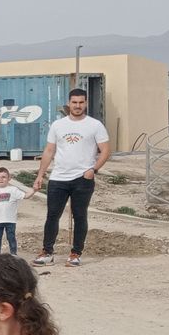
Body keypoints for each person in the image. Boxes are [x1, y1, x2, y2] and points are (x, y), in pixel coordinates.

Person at [32, 88, 110, 268]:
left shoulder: (95, 125)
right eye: (74, 102)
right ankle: (47, 252)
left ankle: (75, 253)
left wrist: (94, 170)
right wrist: (40, 175)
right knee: (52, 215)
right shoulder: (58, 125)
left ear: (86, 103)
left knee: (80, 216)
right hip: (58, 178)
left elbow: (105, 150)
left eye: (81, 102)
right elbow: (49, 150)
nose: (77, 106)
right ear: (69, 103)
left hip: (82, 178)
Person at [0, 167, 34, 255]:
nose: (1, 179)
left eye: (4, 177)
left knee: (11, 237)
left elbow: (26, 196)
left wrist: (34, 190)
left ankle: (13, 254)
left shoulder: (13, 190)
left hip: (10, 220)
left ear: (9, 178)